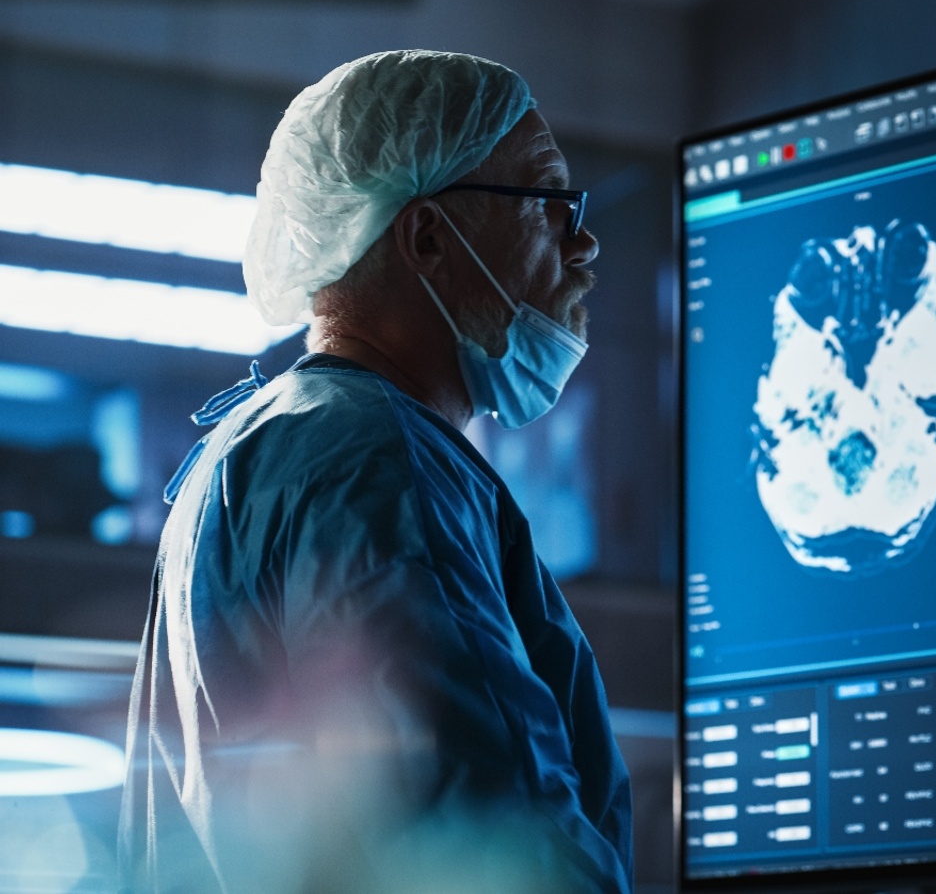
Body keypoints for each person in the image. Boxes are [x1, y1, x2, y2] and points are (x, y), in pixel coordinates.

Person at [120, 50, 632, 894]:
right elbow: (494, 844)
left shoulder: (256, 450)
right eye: (548, 202)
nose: (583, 240)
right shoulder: (376, 461)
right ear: (428, 237)